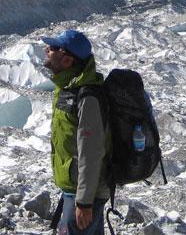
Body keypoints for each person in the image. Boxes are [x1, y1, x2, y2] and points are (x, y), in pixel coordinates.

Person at [42, 29, 110, 235]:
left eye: (53, 48)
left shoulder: (86, 98)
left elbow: (91, 152)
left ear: (67, 61)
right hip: (76, 190)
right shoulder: (68, 89)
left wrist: (85, 202)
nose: (47, 50)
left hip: (85, 193)